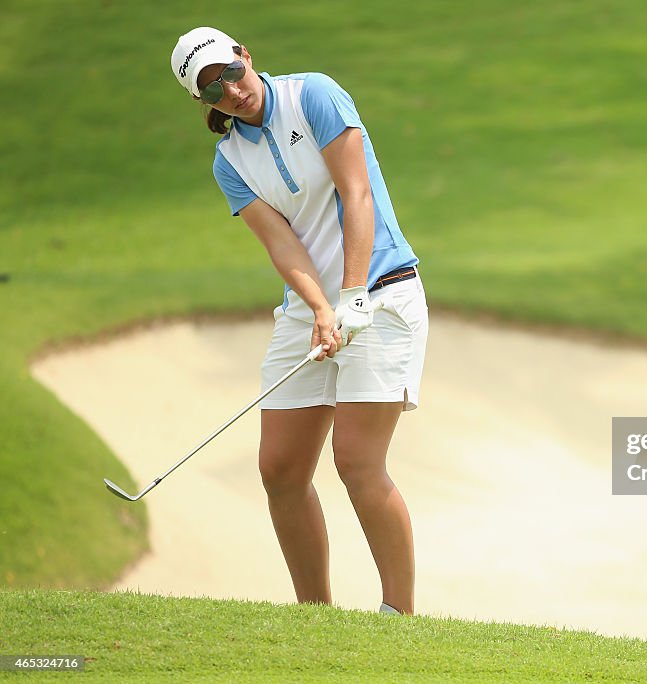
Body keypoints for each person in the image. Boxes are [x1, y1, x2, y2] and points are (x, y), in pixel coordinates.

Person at [170, 27, 428, 616]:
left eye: (228, 72)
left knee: (357, 463)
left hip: (382, 292)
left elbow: (356, 193)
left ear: (244, 57)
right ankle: (316, 618)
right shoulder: (229, 160)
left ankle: (400, 619)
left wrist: (353, 294)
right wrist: (319, 308)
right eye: (211, 89)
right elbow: (282, 246)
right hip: (309, 306)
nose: (230, 91)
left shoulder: (313, 95)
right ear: (201, 102)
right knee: (280, 469)